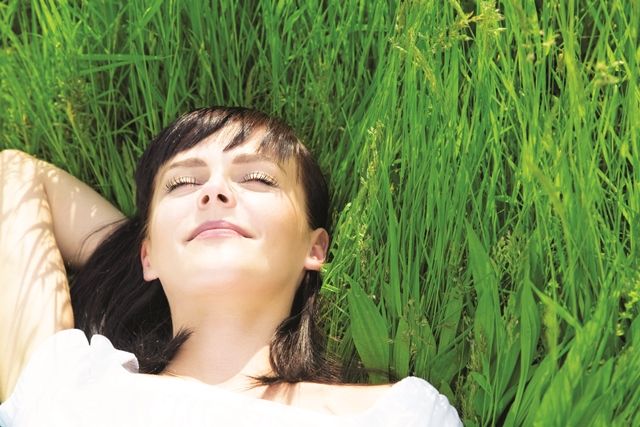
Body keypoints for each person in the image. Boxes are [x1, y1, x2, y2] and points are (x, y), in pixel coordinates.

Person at [0, 107, 461, 426]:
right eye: (183, 183)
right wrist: (160, 249)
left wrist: (178, 243)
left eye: (257, 178)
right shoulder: (69, 384)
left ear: (315, 248)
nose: (213, 193)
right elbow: (16, 174)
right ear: (147, 257)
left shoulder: (400, 414)